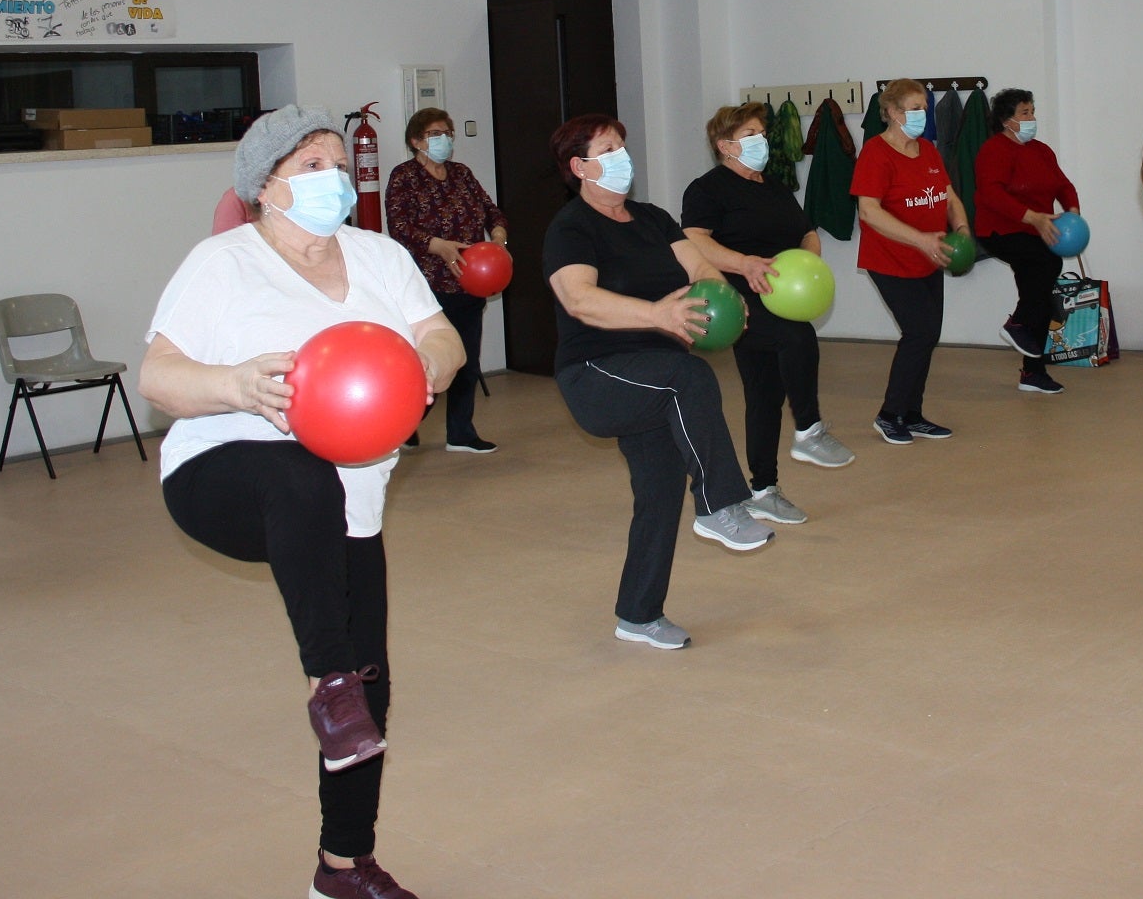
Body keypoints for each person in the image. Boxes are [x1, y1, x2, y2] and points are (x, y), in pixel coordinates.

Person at [139, 106, 465, 899]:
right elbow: (157, 376)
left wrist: (427, 369)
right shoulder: (222, 263)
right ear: (264, 187)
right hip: (223, 475)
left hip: (350, 504)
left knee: (372, 695)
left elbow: (442, 336)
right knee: (301, 472)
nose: (332, 179)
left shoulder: (379, 256)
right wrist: (234, 384)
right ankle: (328, 680)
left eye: (335, 163)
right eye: (309, 166)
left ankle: (343, 866)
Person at [545, 113, 773, 651]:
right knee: (687, 376)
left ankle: (639, 615)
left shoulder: (652, 218)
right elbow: (580, 299)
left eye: (623, 145)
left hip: (653, 376)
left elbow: (700, 270)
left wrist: (724, 297)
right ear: (580, 166)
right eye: (608, 148)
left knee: (660, 489)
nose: (623, 156)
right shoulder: (570, 227)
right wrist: (656, 314)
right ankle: (721, 505)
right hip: (596, 372)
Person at [682, 104, 854, 524]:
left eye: (762, 132)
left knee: (764, 396)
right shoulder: (707, 189)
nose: (763, 140)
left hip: (781, 297)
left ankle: (763, 489)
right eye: (752, 133)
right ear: (726, 145)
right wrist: (745, 264)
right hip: (739, 301)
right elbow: (692, 240)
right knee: (798, 339)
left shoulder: (774, 187)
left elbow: (806, 231)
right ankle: (809, 428)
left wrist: (810, 259)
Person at [385, 107, 508, 454]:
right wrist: (437, 246)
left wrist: (498, 236)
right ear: (416, 141)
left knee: (466, 358)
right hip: (427, 284)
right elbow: (400, 226)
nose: (444, 140)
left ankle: (461, 432)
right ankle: (406, 423)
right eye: (435, 134)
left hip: (469, 281)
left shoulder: (461, 174)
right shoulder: (404, 177)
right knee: (424, 362)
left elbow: (490, 210)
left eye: (448, 133)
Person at [852, 79, 968, 444]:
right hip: (889, 260)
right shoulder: (875, 152)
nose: (922, 115)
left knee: (928, 334)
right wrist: (919, 239)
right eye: (913, 108)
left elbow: (949, 197)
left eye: (924, 107)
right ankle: (889, 415)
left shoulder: (928, 151)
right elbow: (869, 212)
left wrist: (961, 227)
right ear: (890, 112)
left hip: (930, 258)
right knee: (919, 332)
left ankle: (912, 413)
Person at [974, 88, 1079, 396]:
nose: (1032, 118)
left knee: (1041, 291)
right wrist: (1031, 216)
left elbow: (1063, 184)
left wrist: (1072, 212)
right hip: (999, 231)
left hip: (1036, 230)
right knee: (1047, 262)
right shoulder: (993, 151)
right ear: (1007, 121)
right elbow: (991, 194)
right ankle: (1017, 325)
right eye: (1024, 113)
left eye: (1032, 111)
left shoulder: (1041, 151)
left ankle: (1033, 372)